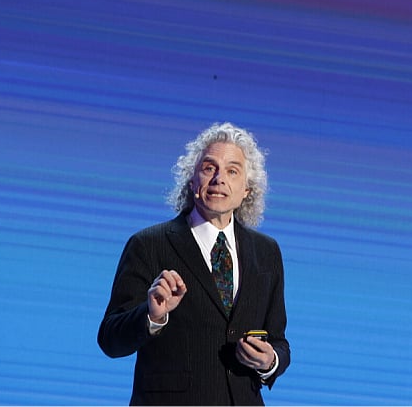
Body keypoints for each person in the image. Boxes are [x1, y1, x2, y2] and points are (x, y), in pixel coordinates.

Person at [98, 122, 290, 405]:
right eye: (209, 168)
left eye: (232, 171)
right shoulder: (149, 245)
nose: (219, 179)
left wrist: (270, 361)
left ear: (247, 190)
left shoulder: (266, 252)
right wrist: (152, 317)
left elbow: (278, 341)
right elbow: (110, 339)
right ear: (192, 180)